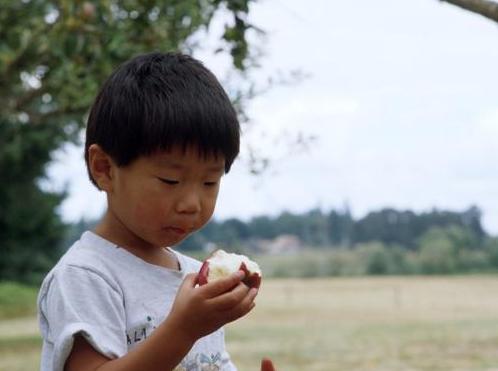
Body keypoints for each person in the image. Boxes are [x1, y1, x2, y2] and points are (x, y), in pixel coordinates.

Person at [37, 52, 275, 371]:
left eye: (209, 181)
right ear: (104, 168)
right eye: (170, 180)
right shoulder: (87, 275)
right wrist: (184, 329)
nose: (192, 202)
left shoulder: (192, 278)